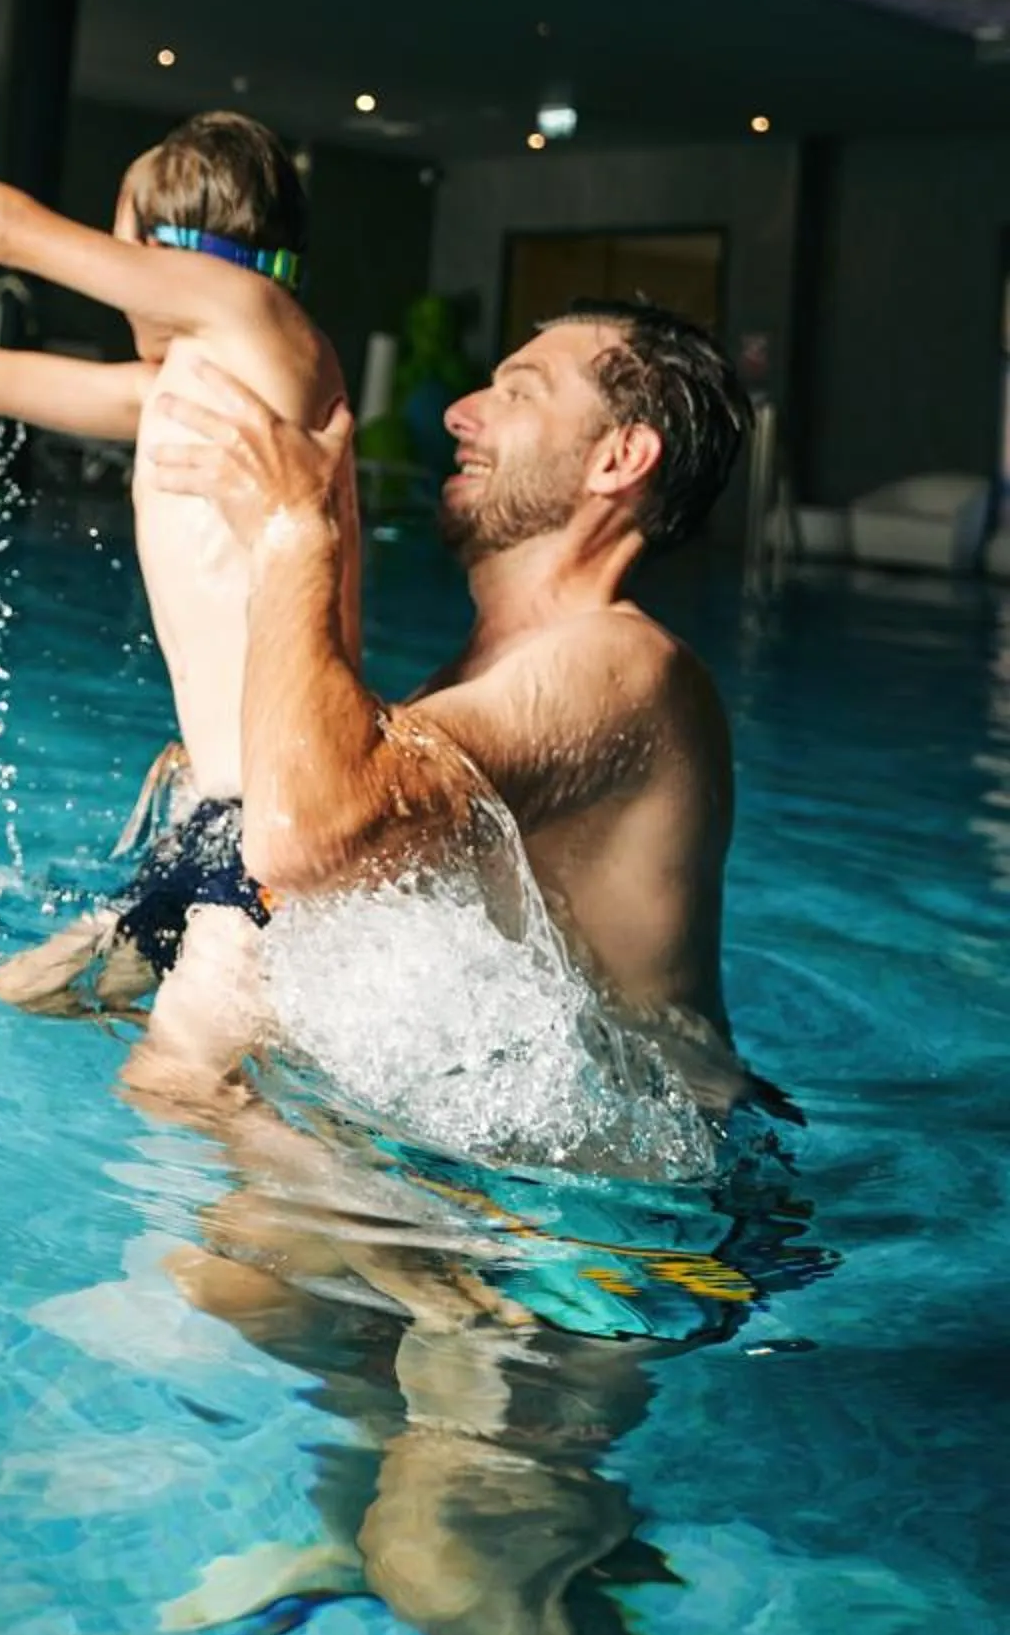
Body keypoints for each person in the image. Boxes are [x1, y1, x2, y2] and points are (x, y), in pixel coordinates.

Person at [0, 91, 348, 1069]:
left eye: (117, 245)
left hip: (277, 823)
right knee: (25, 992)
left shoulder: (256, 315)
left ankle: (350, 1173)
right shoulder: (182, 386)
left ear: (159, 250)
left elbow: (12, 235)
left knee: (178, 1092)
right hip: (217, 822)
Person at [145, 299, 756, 1102]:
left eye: (519, 392)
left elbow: (301, 836)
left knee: (202, 1033)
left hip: (612, 1170)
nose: (460, 413)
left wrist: (297, 527)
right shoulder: (478, 680)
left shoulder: (630, 666)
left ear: (619, 457)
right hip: (501, 1145)